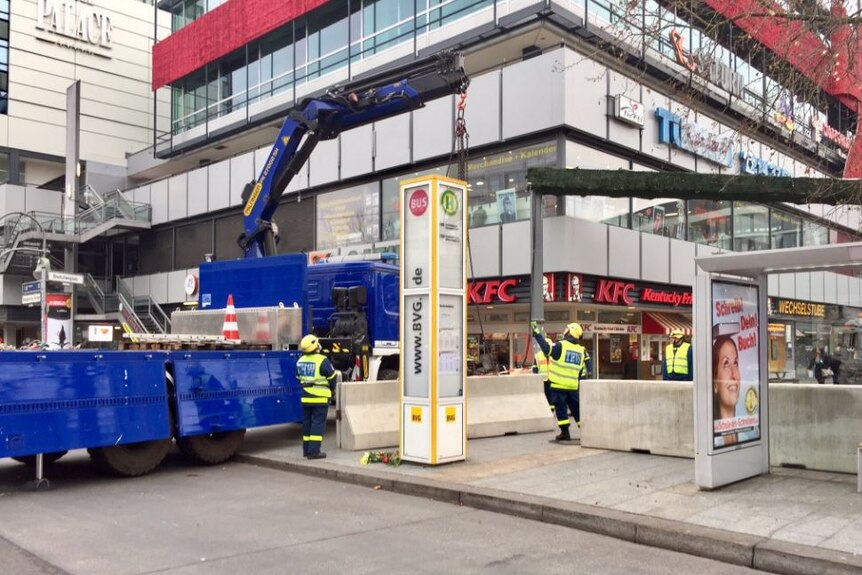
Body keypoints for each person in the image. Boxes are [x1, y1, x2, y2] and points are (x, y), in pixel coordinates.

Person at [531, 321, 592, 442]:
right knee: (577, 410)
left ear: (570, 332)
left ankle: (565, 433)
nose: (565, 331)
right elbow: (580, 369)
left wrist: (537, 334)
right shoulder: (581, 350)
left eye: (567, 329)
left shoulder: (561, 345)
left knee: (561, 410)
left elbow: (547, 350)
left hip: (558, 386)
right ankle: (587, 432)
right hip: (573, 386)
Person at [296, 334, 337, 459]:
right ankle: (314, 452)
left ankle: (306, 450)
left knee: (307, 423)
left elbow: (298, 378)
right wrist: (332, 390)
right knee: (317, 423)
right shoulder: (322, 360)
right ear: (315, 345)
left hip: (306, 397)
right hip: (320, 398)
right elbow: (332, 378)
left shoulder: (300, 361)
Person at [713, 335, 740, 446]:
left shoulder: (750, 433)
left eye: (735, 363)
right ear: (715, 383)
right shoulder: (712, 439)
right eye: (726, 363)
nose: (733, 374)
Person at [531, 335, 554, 413]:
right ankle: (546, 409)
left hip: (552, 379)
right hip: (542, 380)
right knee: (545, 395)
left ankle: (551, 409)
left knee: (552, 396)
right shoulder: (538, 355)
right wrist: (535, 378)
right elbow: (535, 367)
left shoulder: (554, 355)